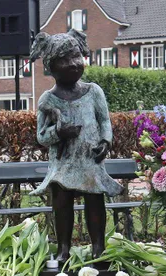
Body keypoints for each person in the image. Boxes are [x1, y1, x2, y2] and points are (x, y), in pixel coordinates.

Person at [30, 29, 123, 261]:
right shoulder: (47, 100)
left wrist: (105, 141)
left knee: (95, 202)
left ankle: (98, 247)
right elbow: (42, 136)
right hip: (63, 164)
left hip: (90, 160)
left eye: (76, 57)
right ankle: (63, 248)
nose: (72, 64)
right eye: (64, 60)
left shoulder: (93, 92)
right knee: (62, 203)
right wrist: (59, 132)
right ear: (50, 66)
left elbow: (104, 121)